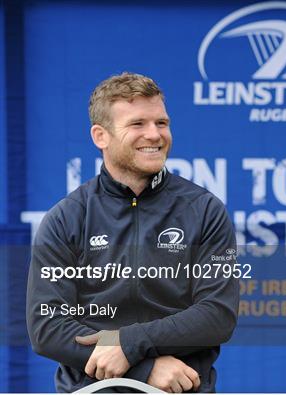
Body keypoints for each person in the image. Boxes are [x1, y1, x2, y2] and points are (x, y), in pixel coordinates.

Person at [26, 72, 239, 393]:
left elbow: (217, 315)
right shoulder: (67, 217)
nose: (154, 135)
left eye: (162, 123)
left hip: (181, 389)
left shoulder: (204, 209)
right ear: (101, 136)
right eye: (137, 124)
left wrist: (130, 343)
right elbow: (48, 327)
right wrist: (144, 368)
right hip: (92, 390)